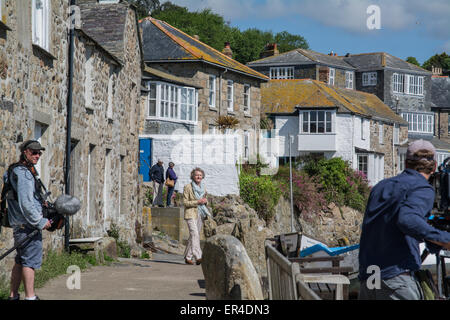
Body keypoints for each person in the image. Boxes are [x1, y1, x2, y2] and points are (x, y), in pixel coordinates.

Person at [358, 139, 450, 300]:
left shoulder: (380, 187)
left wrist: (429, 239)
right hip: (395, 278)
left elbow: (391, 226)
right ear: (434, 167)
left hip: (370, 277)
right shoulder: (422, 188)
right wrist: (444, 240)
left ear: (406, 164)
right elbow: (407, 220)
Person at [3, 140, 52, 301]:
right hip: (27, 225)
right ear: (25, 152)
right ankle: (30, 297)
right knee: (29, 262)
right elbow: (26, 203)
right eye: (34, 152)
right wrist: (39, 221)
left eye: (39, 153)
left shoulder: (14, 170)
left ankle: (13, 295)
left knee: (20, 260)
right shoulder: (24, 174)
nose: (37, 156)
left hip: (19, 223)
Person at [183, 168, 211, 265]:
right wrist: (197, 202)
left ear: (202, 176)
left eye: (200, 175)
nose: (198, 176)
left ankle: (188, 257)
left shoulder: (203, 187)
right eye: (196, 175)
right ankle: (198, 256)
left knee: (193, 236)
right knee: (195, 234)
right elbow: (185, 202)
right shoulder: (187, 187)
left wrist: (205, 201)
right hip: (190, 213)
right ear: (192, 176)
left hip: (200, 213)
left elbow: (205, 199)